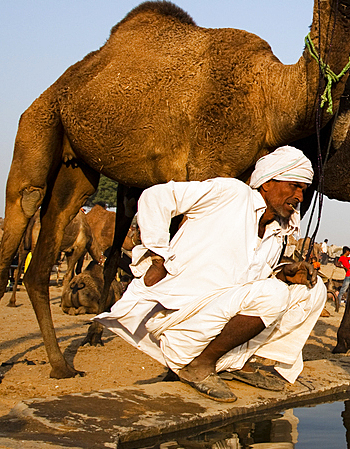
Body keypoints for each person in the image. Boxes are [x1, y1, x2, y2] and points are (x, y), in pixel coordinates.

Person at [94, 146, 326, 403]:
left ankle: (236, 363)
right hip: (180, 317)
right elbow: (156, 196)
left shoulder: (276, 233)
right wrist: (157, 256)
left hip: (216, 314)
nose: (300, 197)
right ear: (268, 182)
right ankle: (199, 365)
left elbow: (247, 285)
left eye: (303, 190)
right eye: (294, 186)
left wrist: (283, 275)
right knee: (274, 295)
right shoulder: (232, 194)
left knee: (312, 290)